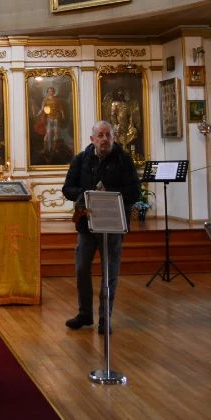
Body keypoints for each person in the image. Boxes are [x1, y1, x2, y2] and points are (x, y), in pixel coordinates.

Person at [61, 120, 140, 334]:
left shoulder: (123, 160)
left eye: (108, 135)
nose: (104, 139)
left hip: (112, 225)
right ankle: (85, 314)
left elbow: (134, 192)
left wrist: (110, 194)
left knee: (109, 272)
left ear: (113, 138)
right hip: (87, 224)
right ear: (92, 139)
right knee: (81, 268)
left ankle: (105, 319)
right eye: (101, 135)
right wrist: (86, 194)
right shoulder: (81, 159)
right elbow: (67, 188)